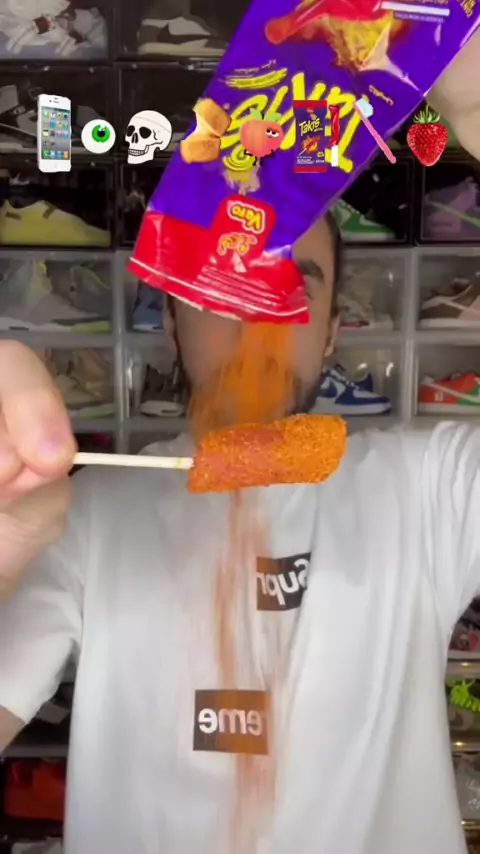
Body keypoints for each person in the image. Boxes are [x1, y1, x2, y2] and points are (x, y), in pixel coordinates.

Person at [0, 46, 479, 854]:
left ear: (334, 333)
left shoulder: (432, 487)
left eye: (296, 281)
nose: (262, 313)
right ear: (170, 320)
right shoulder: (80, 519)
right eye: (228, 276)